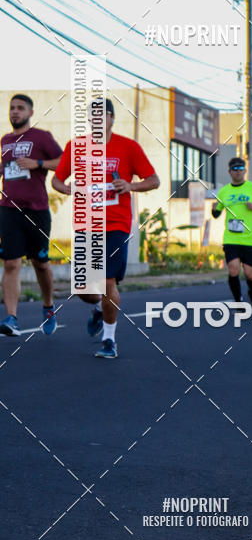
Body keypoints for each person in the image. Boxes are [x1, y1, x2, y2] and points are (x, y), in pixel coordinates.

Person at [52, 98, 159, 358]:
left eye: (103, 116)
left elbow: (153, 180)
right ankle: (99, 309)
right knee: (86, 290)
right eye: (93, 116)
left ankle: (109, 340)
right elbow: (56, 179)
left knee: (108, 279)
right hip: (86, 224)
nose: (98, 120)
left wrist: (129, 185)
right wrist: (67, 188)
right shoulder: (76, 146)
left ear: (112, 118)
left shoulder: (128, 147)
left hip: (116, 224)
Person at [0, 94, 63, 337]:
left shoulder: (41, 137)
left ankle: (48, 307)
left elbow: (63, 162)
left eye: (20, 108)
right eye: (12, 108)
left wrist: (37, 163)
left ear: (30, 112)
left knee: (40, 263)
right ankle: (11, 318)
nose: (15, 112)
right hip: (8, 209)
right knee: (11, 263)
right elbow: (6, 169)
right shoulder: (5, 140)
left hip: (36, 211)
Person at [212, 157, 252, 313]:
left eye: (240, 168)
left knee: (250, 273)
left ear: (245, 170)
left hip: (249, 239)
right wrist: (214, 208)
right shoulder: (224, 191)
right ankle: (238, 301)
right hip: (231, 238)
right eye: (234, 169)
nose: (238, 172)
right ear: (230, 172)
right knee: (233, 269)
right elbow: (216, 214)